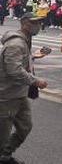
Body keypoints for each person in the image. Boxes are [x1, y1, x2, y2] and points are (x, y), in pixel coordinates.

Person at [0, 13, 48, 164]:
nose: (38, 26)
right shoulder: (16, 44)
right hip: (6, 96)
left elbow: (18, 62)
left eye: (40, 23)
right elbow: (14, 70)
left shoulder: (24, 41)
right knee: (2, 137)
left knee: (25, 127)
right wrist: (35, 81)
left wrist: (32, 57)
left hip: (20, 94)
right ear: (25, 24)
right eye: (35, 23)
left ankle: (4, 156)